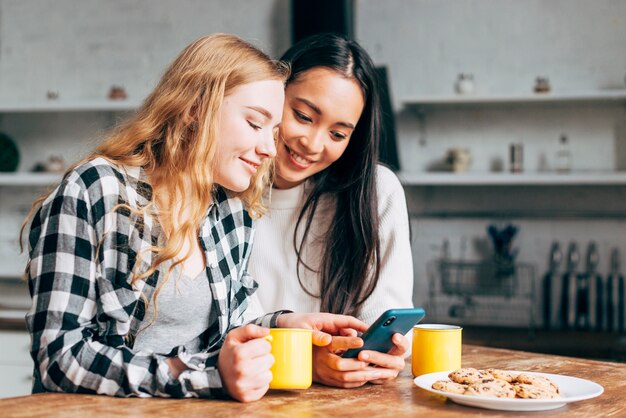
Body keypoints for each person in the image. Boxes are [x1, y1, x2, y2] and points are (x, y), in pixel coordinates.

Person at [22, 33, 367, 403]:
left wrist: (283, 325)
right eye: (255, 124)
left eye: (275, 132)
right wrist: (200, 376)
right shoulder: (97, 189)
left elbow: (224, 335)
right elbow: (60, 357)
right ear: (194, 109)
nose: (269, 149)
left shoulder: (232, 209)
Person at [248, 33, 414, 388]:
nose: (312, 144)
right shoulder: (224, 187)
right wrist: (304, 361)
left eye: (338, 135)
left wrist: (379, 354)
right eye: (304, 116)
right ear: (274, 92)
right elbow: (212, 328)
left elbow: (384, 318)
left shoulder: (376, 192)